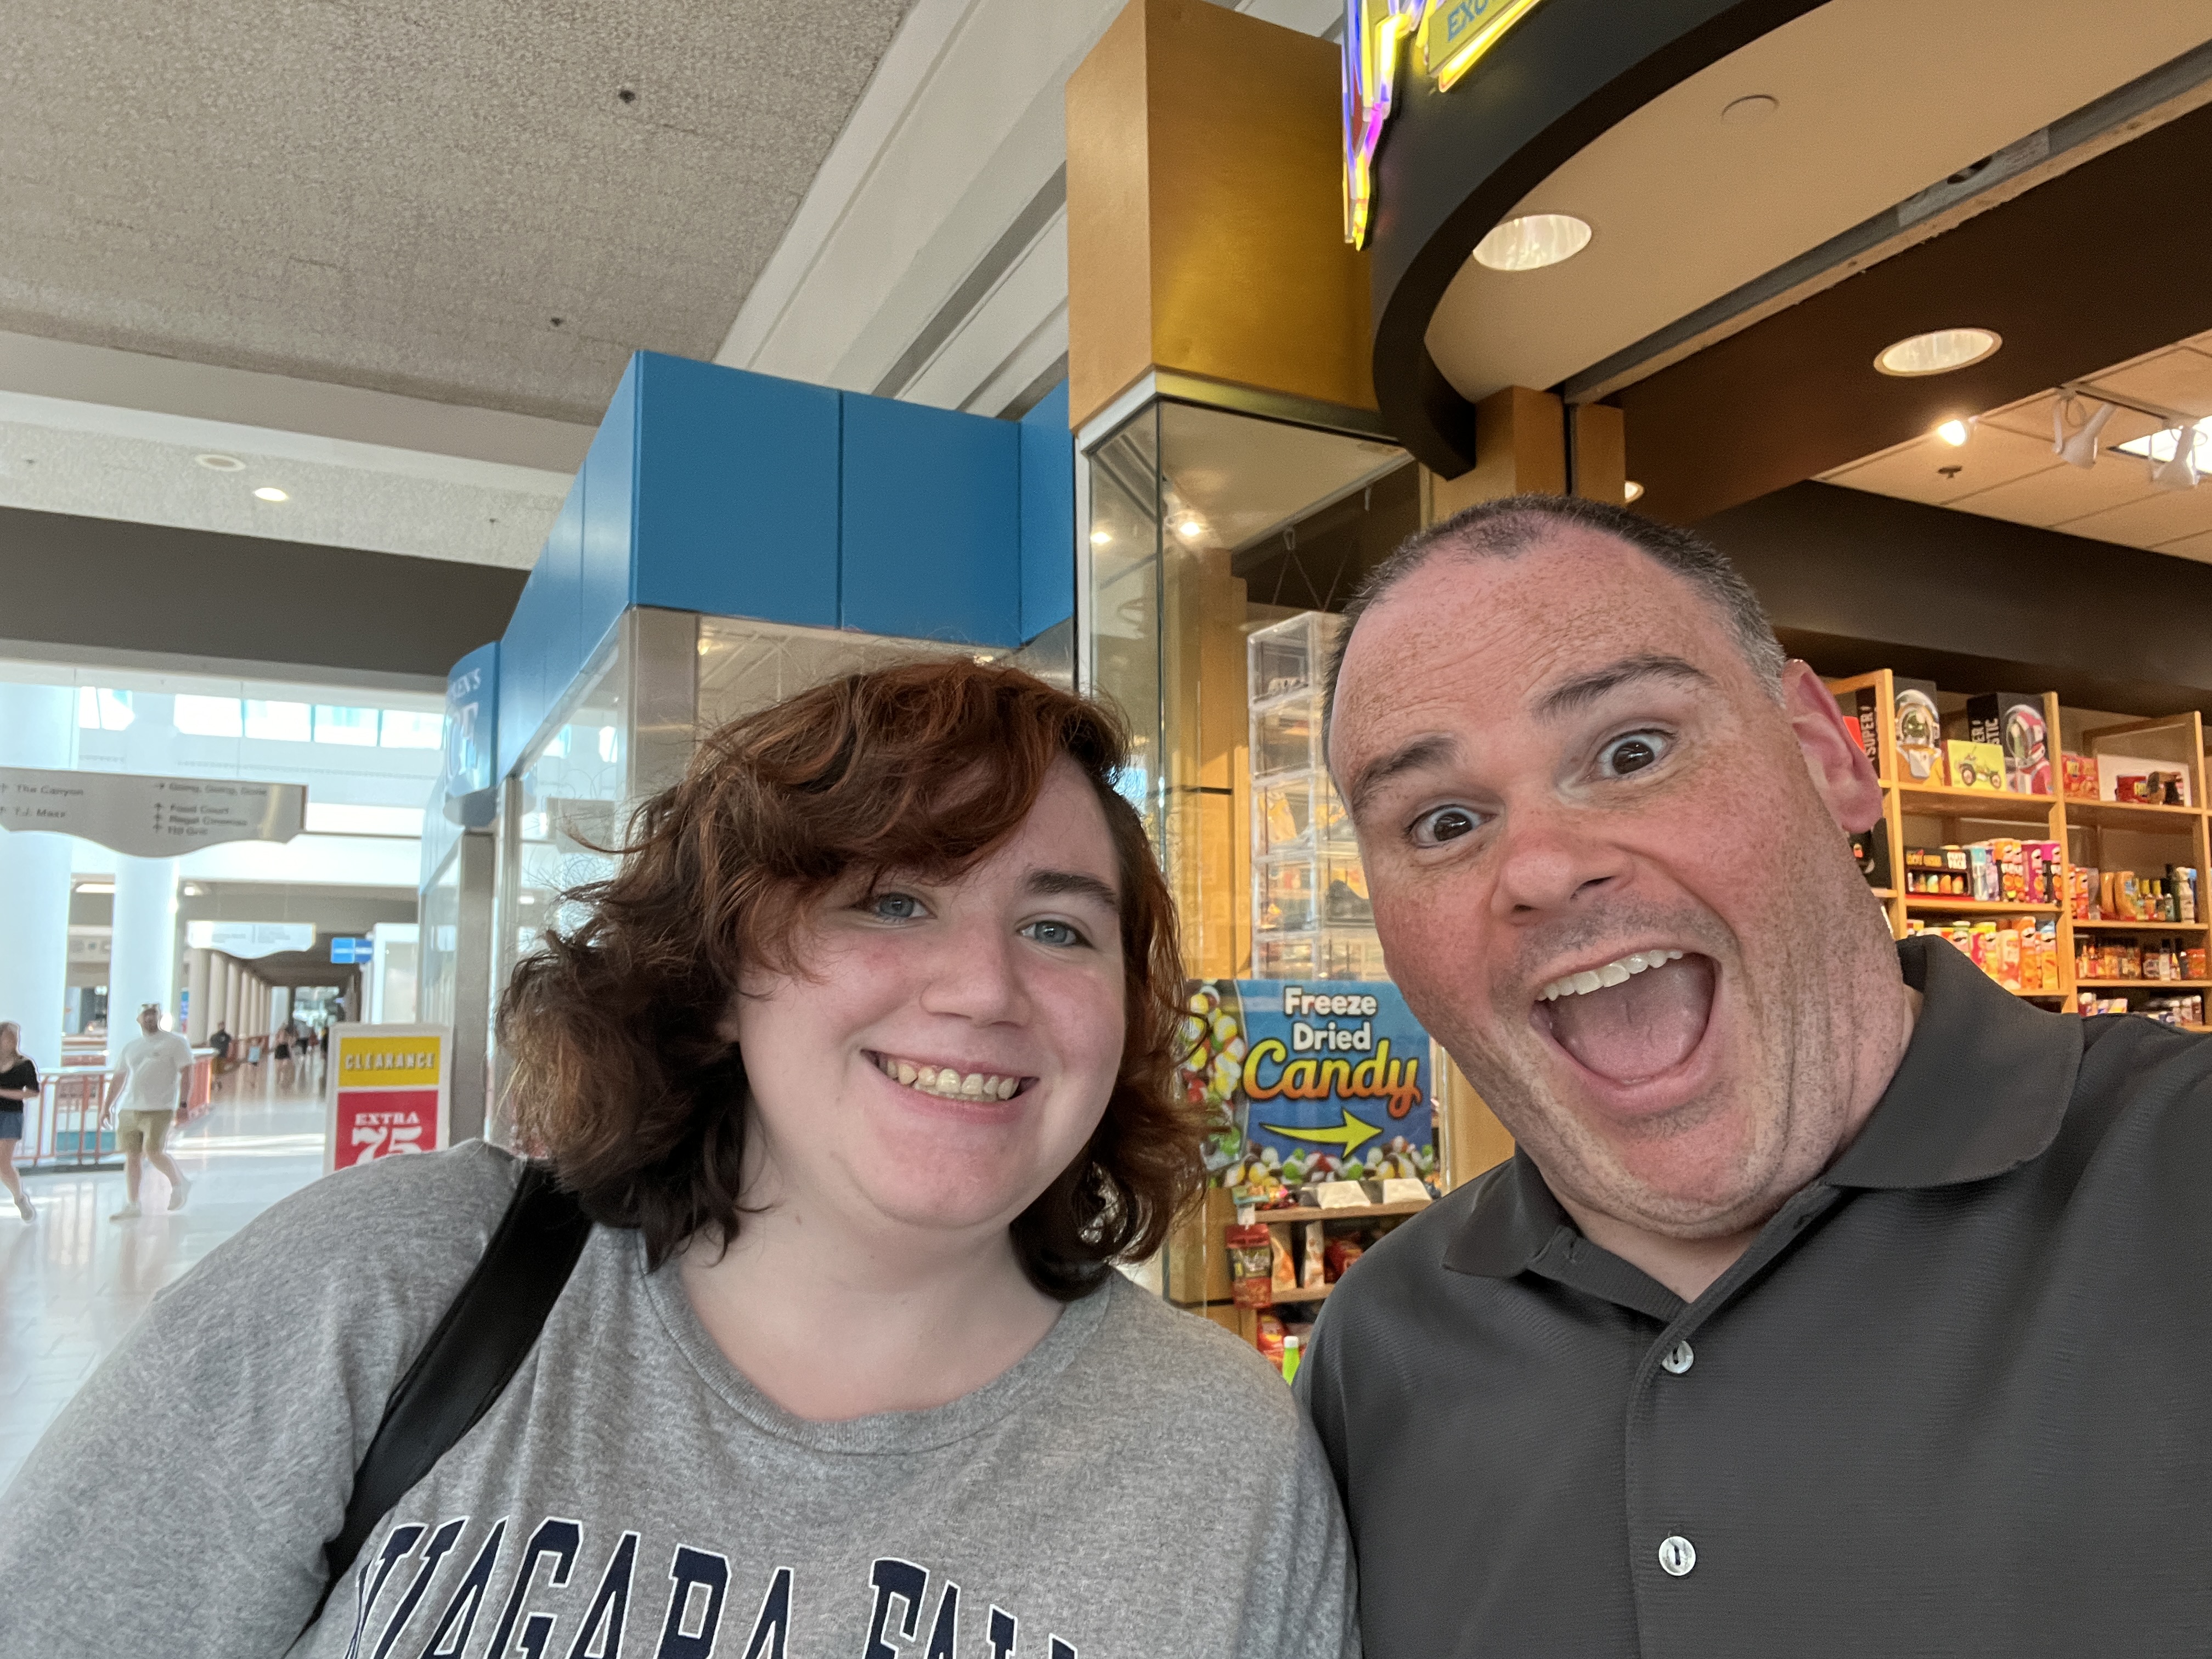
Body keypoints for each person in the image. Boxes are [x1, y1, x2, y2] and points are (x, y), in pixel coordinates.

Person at [1, 661, 1355, 1657]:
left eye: (1060, 929)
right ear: (716, 979)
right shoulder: (387, 1284)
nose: (983, 988)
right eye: (891, 901)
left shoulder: (1221, 1457)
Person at [1302, 490, 2212, 1654]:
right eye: (1440, 823)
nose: (1541, 868)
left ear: (1827, 755)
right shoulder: (1380, 1347)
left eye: (1632, 751)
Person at [99, 1003, 194, 1219]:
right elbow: (119, 1078)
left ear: (159, 1017)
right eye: (146, 1015)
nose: (150, 1018)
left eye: (153, 1014)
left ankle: (179, 1184)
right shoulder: (131, 1047)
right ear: (139, 1019)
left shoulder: (175, 1043)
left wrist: (183, 1104)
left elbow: (187, 1072)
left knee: (153, 1151)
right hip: (130, 1108)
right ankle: (133, 1204)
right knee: (132, 1156)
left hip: (160, 1108)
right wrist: (107, 1107)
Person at [0, 1020, 37, 1221]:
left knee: (3, 1163)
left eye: (15, 1037)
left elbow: (32, 1092)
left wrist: (4, 1093)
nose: (13, 1040)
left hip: (11, 1115)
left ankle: (19, 1198)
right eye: (8, 1036)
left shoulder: (24, 1065)